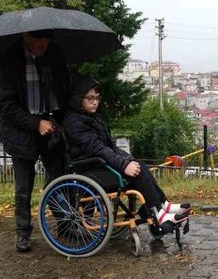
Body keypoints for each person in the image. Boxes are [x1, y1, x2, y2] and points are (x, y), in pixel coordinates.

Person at [63, 76, 190, 231]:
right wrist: (124, 165)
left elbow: (110, 146)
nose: (95, 102)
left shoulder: (91, 118)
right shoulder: (75, 122)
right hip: (88, 170)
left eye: (97, 98)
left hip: (98, 165)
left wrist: (128, 160)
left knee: (139, 165)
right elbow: (98, 149)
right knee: (135, 172)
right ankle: (158, 213)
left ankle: (162, 205)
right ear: (78, 99)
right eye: (90, 98)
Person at [0, 29, 70, 252]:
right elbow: (6, 106)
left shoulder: (54, 55)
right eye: (39, 41)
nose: (43, 45)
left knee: (58, 179)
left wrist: (57, 118)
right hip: (21, 132)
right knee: (23, 187)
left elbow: (64, 88)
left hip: (51, 126)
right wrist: (35, 123)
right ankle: (23, 233)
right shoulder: (8, 61)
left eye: (46, 41)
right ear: (26, 37)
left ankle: (65, 224)